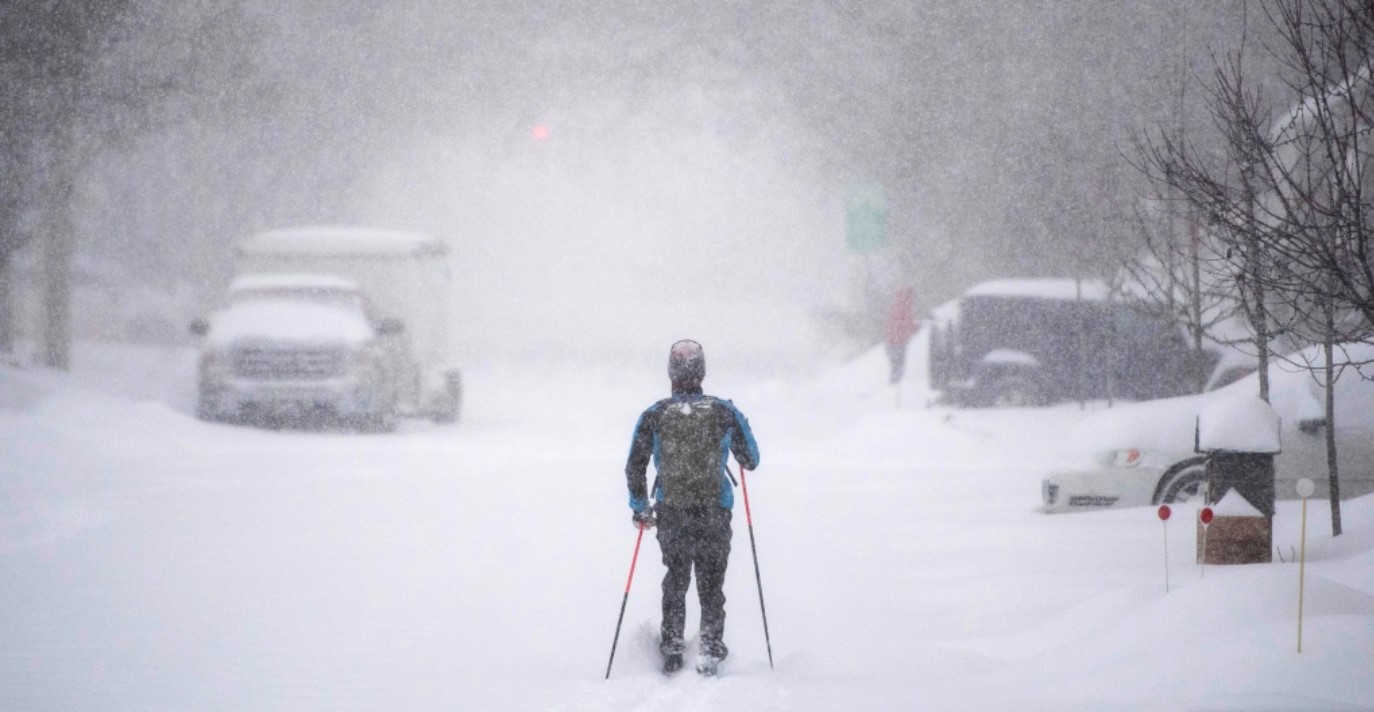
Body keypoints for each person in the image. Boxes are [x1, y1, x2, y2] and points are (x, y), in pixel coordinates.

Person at [624, 339, 760, 676]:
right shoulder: (723, 411)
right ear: (702, 372)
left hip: (672, 511)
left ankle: (672, 647)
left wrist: (641, 508)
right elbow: (751, 460)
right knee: (711, 582)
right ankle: (710, 649)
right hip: (715, 510)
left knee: (676, 579)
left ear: (671, 373)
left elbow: (635, 465)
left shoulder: (654, 415)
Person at [885, 286, 918, 384]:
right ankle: (894, 389)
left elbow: (899, 325)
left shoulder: (897, 306)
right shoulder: (904, 308)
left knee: (895, 368)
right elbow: (907, 326)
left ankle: (891, 388)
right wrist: (918, 327)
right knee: (898, 369)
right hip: (897, 343)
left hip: (891, 343)